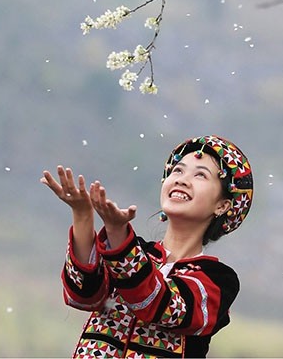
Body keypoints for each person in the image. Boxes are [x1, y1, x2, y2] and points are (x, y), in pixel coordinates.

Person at [40, 135, 253, 358]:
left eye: (200, 175)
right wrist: (82, 215)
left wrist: (117, 232)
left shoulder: (218, 280)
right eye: (178, 170)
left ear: (222, 205)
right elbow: (83, 294)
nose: (181, 179)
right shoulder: (131, 252)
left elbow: (160, 304)